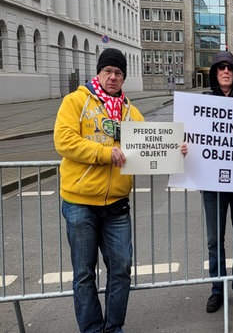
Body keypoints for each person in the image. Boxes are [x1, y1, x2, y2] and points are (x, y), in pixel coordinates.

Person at [54, 48, 144, 333]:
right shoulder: (76, 101)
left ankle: (113, 328)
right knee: (84, 274)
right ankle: (92, 329)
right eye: (108, 71)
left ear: (123, 78)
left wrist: (174, 150)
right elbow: (64, 140)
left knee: (121, 270)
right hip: (80, 203)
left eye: (118, 73)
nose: (113, 77)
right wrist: (104, 153)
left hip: (116, 204)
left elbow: (150, 147)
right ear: (99, 73)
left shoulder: (131, 112)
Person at [200, 51, 233, 313]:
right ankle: (217, 288)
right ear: (214, 73)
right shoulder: (204, 104)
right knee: (214, 238)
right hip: (212, 184)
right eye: (220, 68)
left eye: (229, 68)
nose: (225, 72)